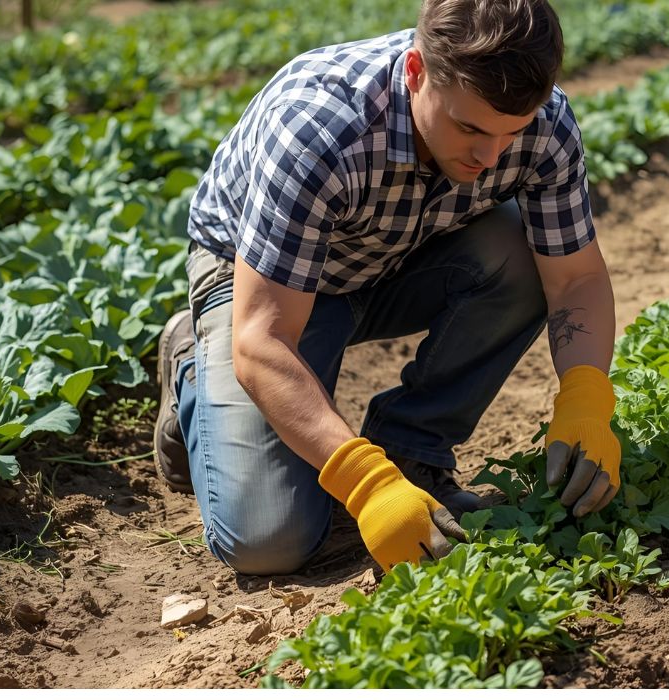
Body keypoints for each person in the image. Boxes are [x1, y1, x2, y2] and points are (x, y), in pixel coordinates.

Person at [152, 0, 621, 576]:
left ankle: (410, 451)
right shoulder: (319, 126)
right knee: (267, 541)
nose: (489, 154)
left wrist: (587, 399)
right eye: (470, 127)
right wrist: (363, 482)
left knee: (524, 254)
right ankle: (194, 357)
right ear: (417, 71)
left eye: (512, 132)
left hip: (395, 255)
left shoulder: (545, 124)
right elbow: (263, 338)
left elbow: (576, 279)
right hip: (262, 287)